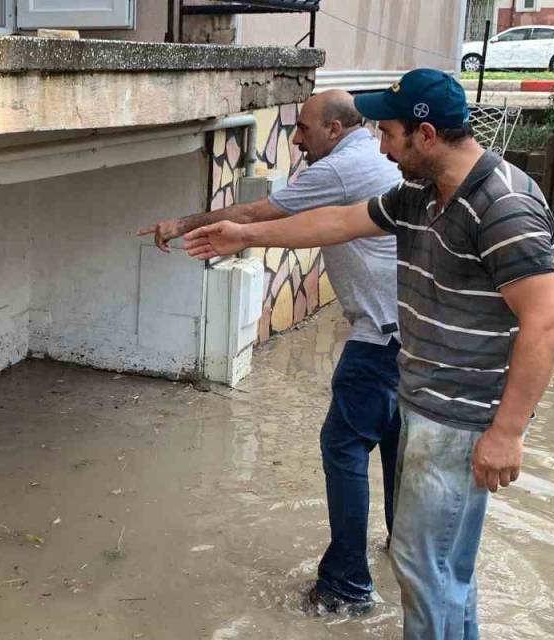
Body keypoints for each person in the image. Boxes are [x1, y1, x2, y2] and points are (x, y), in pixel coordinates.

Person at [181, 69, 554, 640]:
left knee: (421, 565)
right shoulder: (420, 194)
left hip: (459, 417)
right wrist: (247, 234)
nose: (381, 147)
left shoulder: (502, 205)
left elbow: (547, 322)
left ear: (426, 134)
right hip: (424, 399)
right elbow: (341, 220)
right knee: (441, 570)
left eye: (388, 133)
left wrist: (506, 433)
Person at [140, 89, 403, 615]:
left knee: (343, 448)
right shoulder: (368, 160)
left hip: (379, 337)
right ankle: (404, 552)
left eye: (303, 128)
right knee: (396, 449)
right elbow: (314, 226)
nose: (297, 138)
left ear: (334, 129)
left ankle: (347, 588)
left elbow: (262, 210)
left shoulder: (342, 169)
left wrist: (185, 225)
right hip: (409, 336)